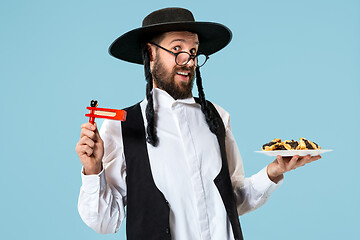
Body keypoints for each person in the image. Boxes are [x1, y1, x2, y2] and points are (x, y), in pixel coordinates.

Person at [75, 7, 321, 240]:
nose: (189, 61)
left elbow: (232, 199)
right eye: (177, 49)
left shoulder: (217, 117)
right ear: (150, 53)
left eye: (193, 51)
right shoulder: (123, 127)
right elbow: (105, 223)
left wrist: (273, 172)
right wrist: (93, 170)